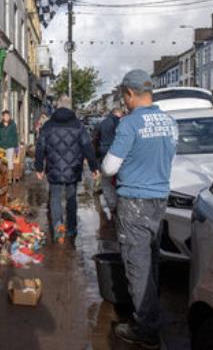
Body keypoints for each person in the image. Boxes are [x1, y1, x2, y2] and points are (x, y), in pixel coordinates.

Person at [101, 70, 178, 349]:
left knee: (137, 265)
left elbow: (110, 166)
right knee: (152, 261)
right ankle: (152, 314)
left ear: (130, 94)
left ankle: (145, 328)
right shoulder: (170, 122)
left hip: (134, 202)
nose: (124, 101)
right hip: (160, 200)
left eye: (124, 96)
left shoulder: (130, 124)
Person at [35, 95, 99, 244]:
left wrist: (39, 167)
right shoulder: (78, 125)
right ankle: (71, 227)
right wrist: (94, 166)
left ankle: (58, 226)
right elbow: (87, 146)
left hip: (53, 167)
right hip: (73, 168)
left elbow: (40, 146)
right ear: (70, 106)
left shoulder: (48, 125)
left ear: (57, 106)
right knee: (71, 198)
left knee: (55, 197)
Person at [93, 107, 124, 216]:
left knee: (106, 180)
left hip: (103, 152)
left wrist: (95, 158)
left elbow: (95, 139)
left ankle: (112, 205)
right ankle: (119, 204)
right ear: (118, 113)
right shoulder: (119, 122)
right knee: (118, 179)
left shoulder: (102, 123)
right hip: (116, 153)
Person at [0, 110, 19, 183]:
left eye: (8, 116)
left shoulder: (13, 125)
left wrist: (16, 146)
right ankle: (3, 177)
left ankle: (9, 179)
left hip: (10, 145)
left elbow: (15, 135)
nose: (6, 117)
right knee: (2, 161)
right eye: (5, 116)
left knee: (10, 161)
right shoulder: (0, 125)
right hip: (2, 146)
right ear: (3, 117)